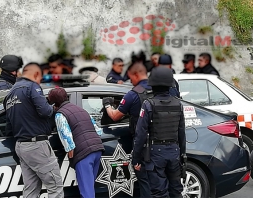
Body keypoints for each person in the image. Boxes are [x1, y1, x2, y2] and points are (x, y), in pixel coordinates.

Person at [3, 62, 64, 198]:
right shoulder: (32, 87)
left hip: (21, 146)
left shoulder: (10, 93)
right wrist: (52, 107)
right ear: (36, 74)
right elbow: (45, 111)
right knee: (55, 186)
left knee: (31, 189)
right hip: (36, 145)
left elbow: (9, 126)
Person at [132, 66, 186, 198]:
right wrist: (182, 155)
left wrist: (136, 159)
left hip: (156, 154)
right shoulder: (178, 104)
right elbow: (182, 133)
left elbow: (140, 134)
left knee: (159, 193)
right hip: (174, 153)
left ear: (153, 86)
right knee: (176, 192)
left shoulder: (148, 104)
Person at [102, 59, 152, 197]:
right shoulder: (160, 90)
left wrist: (107, 105)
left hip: (143, 145)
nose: (130, 80)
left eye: (130, 77)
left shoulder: (133, 94)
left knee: (145, 183)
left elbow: (114, 116)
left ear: (135, 74)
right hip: (163, 144)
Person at [48, 87, 105, 198]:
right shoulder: (82, 110)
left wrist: (72, 155)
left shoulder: (60, 114)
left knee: (86, 193)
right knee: (90, 189)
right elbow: (98, 131)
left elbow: (67, 138)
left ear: (54, 103)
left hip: (84, 155)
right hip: (97, 150)